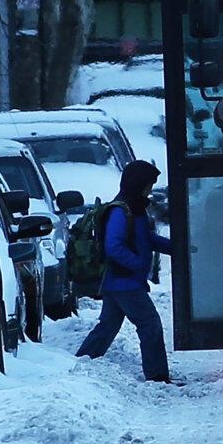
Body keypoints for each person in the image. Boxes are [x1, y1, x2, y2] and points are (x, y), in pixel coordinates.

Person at [76, 160, 174, 383]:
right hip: (125, 282)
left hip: (119, 281)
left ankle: (81, 364)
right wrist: (138, 264)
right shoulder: (122, 211)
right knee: (149, 324)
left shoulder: (135, 209)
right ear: (138, 184)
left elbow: (145, 239)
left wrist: (176, 248)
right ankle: (157, 376)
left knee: (108, 325)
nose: (150, 189)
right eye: (148, 184)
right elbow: (114, 246)